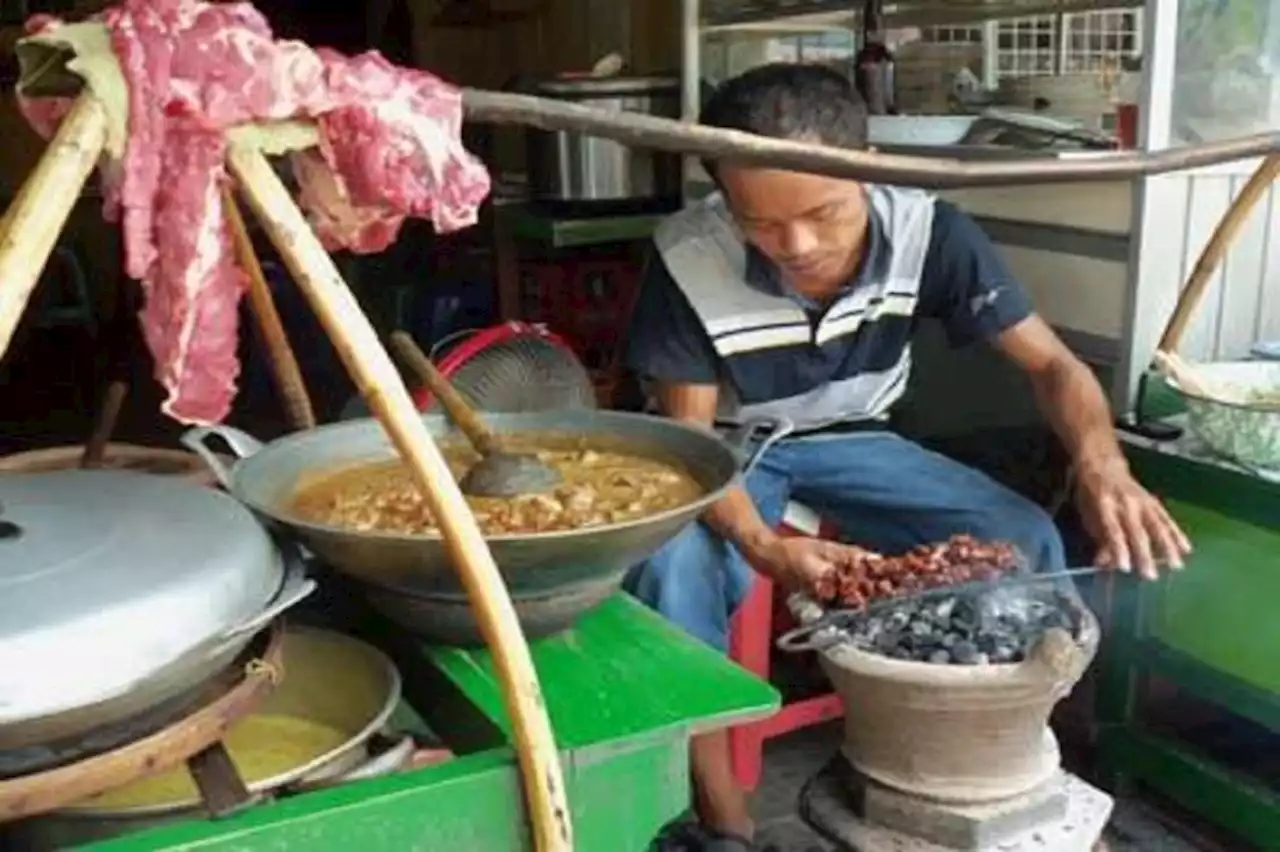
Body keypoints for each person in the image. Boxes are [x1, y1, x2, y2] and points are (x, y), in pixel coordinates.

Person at [624, 63, 1191, 851]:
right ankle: (724, 818)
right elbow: (689, 447)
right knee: (671, 570)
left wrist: (1104, 466)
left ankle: (997, 770)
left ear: (871, 173)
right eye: (760, 222)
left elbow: (1054, 368)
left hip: (855, 438)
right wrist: (762, 547)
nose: (797, 244)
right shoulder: (689, 253)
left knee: (1021, 534)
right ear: (725, 197)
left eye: (824, 211)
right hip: (727, 449)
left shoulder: (932, 233)